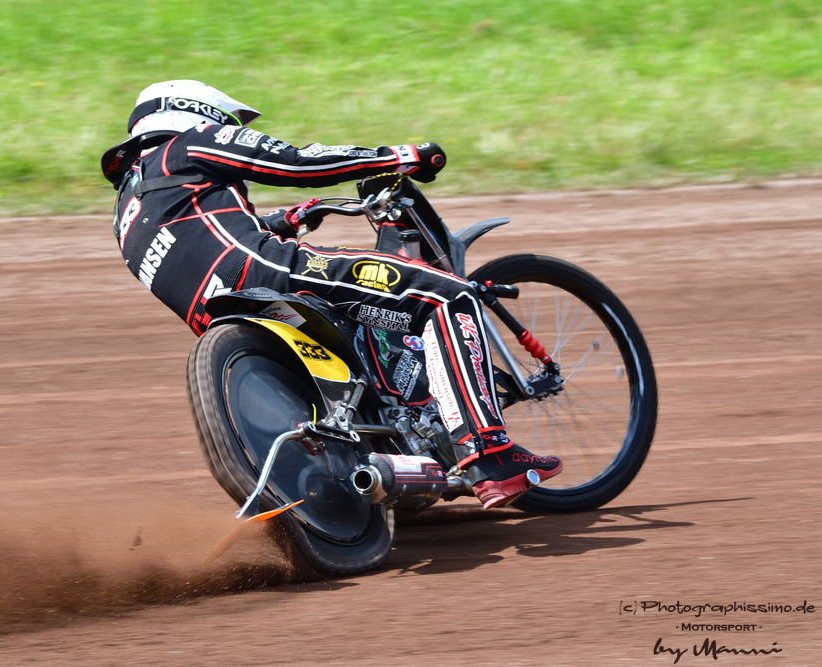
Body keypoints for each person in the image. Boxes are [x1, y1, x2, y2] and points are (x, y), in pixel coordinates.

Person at [101, 80, 562, 508]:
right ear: (195, 113)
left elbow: (204, 237)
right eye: (229, 124)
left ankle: (390, 445)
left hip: (229, 316)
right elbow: (294, 161)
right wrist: (397, 156)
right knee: (448, 297)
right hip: (280, 274)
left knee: (373, 323)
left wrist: (284, 221)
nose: (231, 132)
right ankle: (490, 454)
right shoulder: (188, 143)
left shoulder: (128, 210)